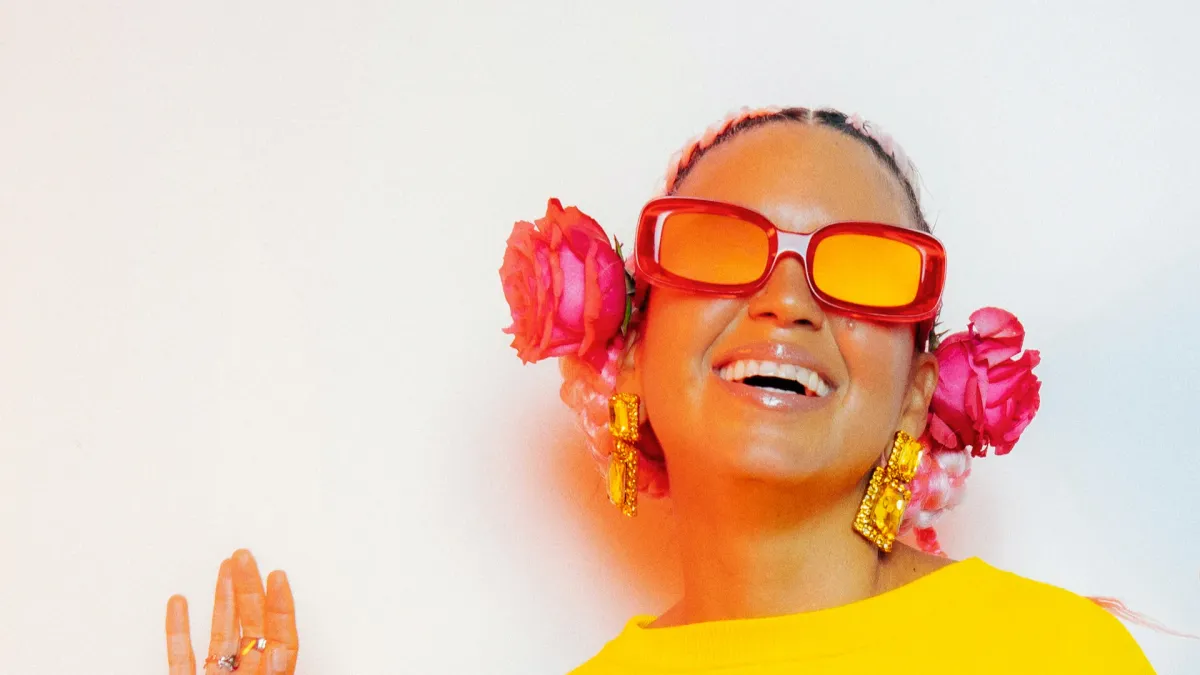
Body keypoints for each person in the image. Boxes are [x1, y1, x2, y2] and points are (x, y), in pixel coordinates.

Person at [164, 107, 1156, 674]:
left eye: (863, 268)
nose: (787, 300)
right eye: (720, 248)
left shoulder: (1055, 654)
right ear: (633, 353)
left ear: (915, 392)